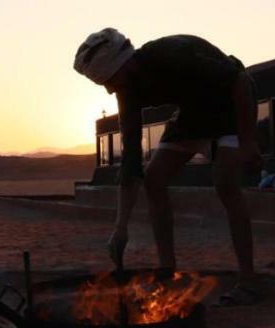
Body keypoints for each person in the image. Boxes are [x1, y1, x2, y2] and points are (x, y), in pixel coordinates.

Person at [74, 28, 263, 305]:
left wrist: (248, 142)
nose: (109, 89)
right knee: (154, 179)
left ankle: (248, 282)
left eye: (110, 80)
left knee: (224, 182)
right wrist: (120, 227)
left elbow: (240, 80)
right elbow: (131, 161)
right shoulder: (128, 92)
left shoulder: (172, 54)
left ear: (124, 64)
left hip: (231, 105)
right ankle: (167, 274)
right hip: (193, 114)